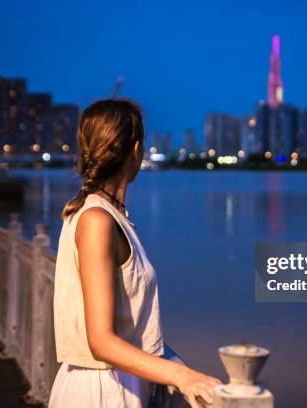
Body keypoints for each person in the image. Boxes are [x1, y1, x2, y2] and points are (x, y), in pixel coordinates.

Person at [48, 99, 220, 408]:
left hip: (119, 384)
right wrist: (182, 378)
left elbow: (133, 327)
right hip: (101, 392)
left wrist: (178, 367)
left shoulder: (106, 216)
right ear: (137, 150)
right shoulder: (96, 220)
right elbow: (100, 341)